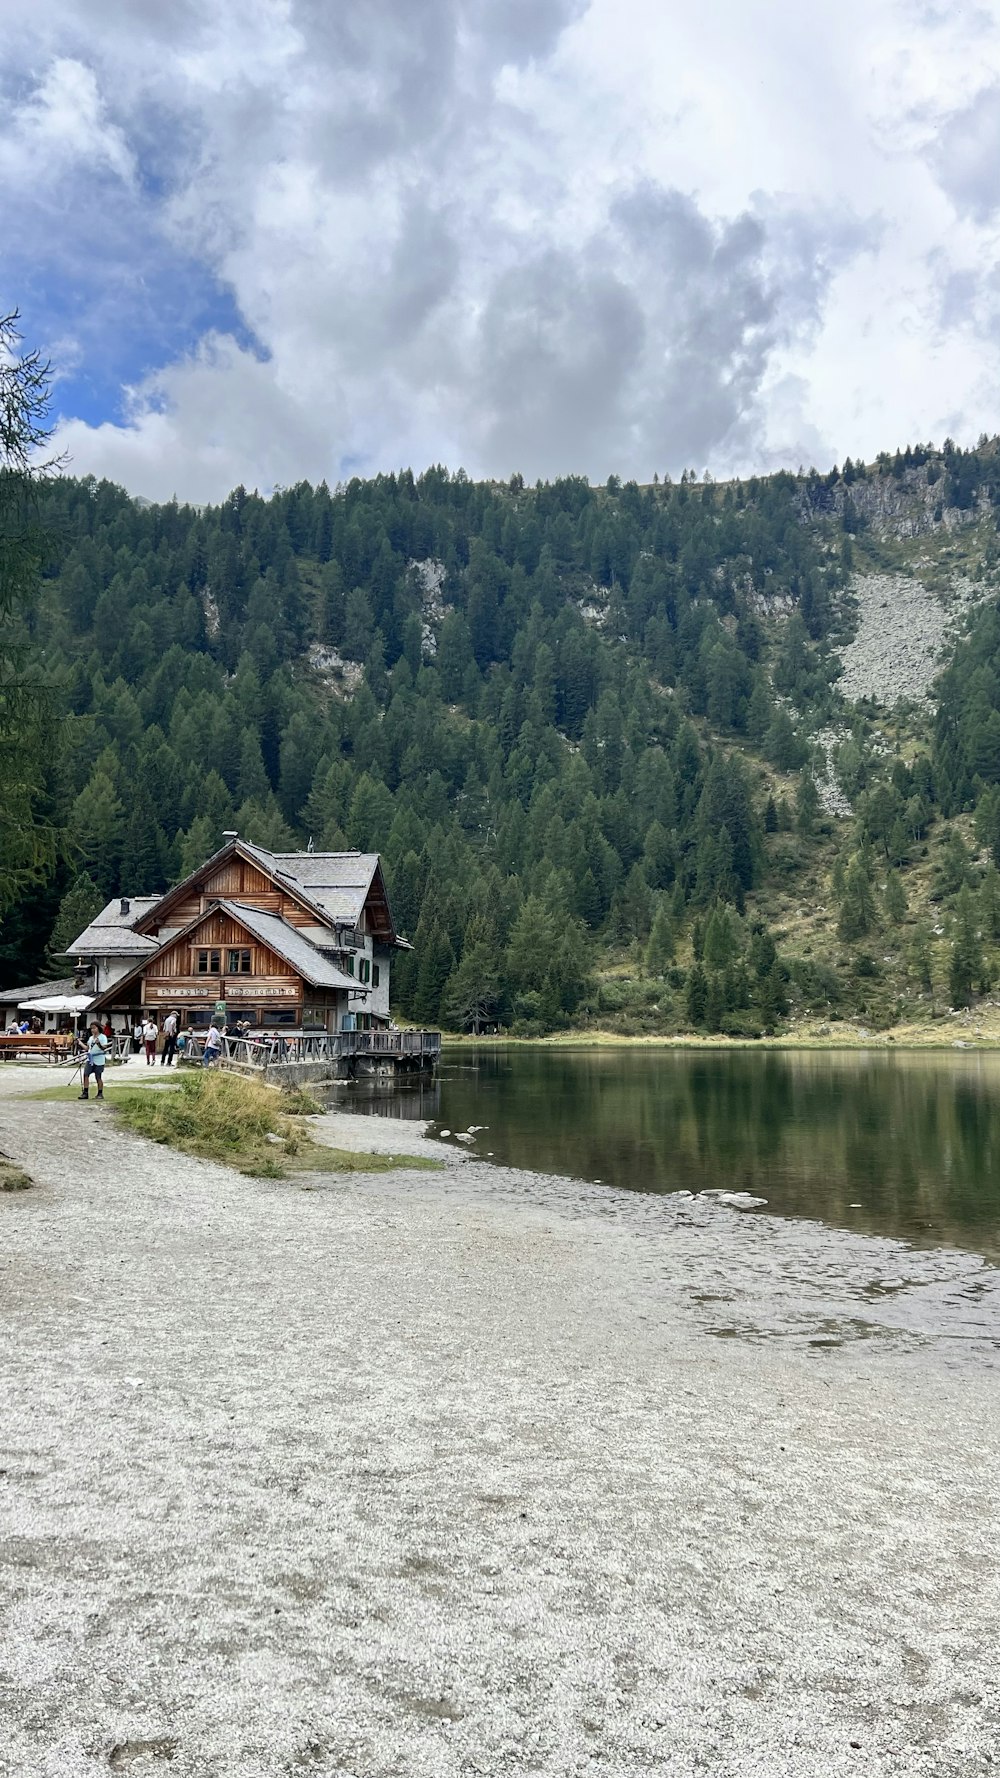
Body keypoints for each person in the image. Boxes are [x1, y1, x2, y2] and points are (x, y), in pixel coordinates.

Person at [78, 1021, 109, 1101]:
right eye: (91, 1028)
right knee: (86, 1074)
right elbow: (87, 1048)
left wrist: (99, 1044)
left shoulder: (103, 1037)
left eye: (94, 1028)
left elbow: (104, 1048)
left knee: (98, 1076)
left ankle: (100, 1093)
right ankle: (85, 1092)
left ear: (98, 1028)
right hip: (91, 1059)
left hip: (99, 1059)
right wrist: (80, 1043)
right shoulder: (91, 1038)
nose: (92, 1030)